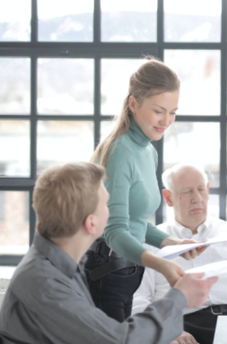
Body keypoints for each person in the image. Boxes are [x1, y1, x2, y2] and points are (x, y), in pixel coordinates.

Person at [0, 162, 218, 344]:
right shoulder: (45, 282)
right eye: (107, 205)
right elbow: (119, 340)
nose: (115, 212)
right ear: (91, 223)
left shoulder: (56, 262)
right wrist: (179, 297)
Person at [85, 57, 206, 322]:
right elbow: (115, 232)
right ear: (133, 104)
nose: (167, 121)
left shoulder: (147, 151)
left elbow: (135, 222)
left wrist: (173, 244)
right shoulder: (119, 151)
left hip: (127, 269)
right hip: (107, 270)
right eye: (159, 110)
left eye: (173, 111)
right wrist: (161, 263)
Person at [132, 163, 227, 344]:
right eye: (186, 191)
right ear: (168, 198)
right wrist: (166, 331)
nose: (197, 198)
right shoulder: (151, 242)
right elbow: (139, 298)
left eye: (201, 189)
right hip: (182, 327)